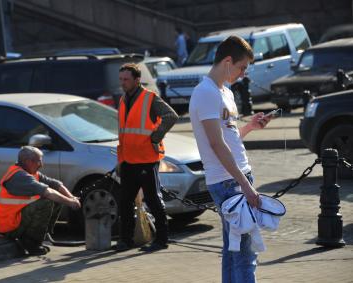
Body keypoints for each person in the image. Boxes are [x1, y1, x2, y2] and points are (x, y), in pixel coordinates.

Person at [189, 36, 273, 282]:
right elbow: (216, 144)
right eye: (242, 67)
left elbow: (229, 137)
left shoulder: (224, 92)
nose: (243, 73)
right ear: (227, 61)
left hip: (235, 177)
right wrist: (246, 186)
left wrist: (249, 127)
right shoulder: (205, 92)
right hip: (229, 182)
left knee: (232, 250)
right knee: (245, 255)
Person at [115, 63, 179, 252]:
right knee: (125, 202)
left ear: (137, 80)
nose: (123, 83)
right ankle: (125, 240)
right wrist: (120, 160)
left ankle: (161, 240)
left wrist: (155, 137)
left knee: (153, 200)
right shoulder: (123, 99)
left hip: (145, 159)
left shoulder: (149, 98)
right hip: (128, 160)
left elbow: (171, 116)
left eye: (126, 79)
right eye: (121, 79)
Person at [0, 146, 81, 256]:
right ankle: (31, 244)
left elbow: (56, 184)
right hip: (8, 227)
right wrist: (71, 203)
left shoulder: (30, 172)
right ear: (27, 161)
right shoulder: (19, 176)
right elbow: (48, 192)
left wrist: (71, 197)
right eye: (38, 161)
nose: (41, 165)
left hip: (16, 219)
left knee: (58, 199)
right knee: (46, 202)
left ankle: (38, 238)